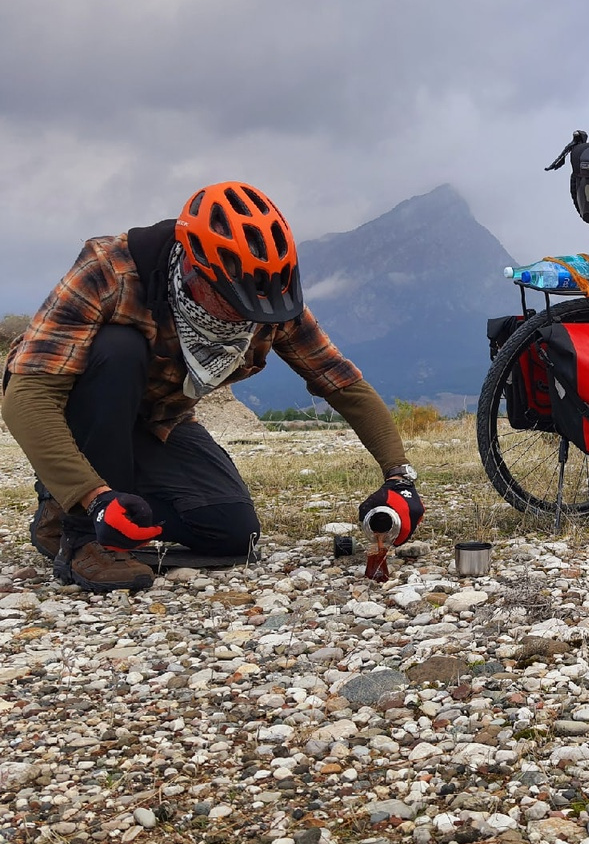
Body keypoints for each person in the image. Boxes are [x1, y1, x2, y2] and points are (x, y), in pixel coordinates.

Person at [1, 181, 423, 593]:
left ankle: (87, 507)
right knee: (119, 348)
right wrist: (91, 498)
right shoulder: (110, 269)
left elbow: (341, 382)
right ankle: (83, 535)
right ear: (191, 270)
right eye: (234, 303)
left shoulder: (268, 298)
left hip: (159, 418)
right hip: (80, 407)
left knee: (233, 532)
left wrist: (399, 477)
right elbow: (27, 398)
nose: (247, 319)